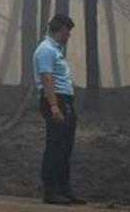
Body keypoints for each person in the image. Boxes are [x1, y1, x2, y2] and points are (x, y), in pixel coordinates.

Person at [33, 14, 86, 205]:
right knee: (55, 146)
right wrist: (54, 106)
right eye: (67, 31)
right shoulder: (45, 50)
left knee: (66, 147)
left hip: (66, 101)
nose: (69, 35)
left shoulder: (57, 50)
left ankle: (64, 189)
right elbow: (47, 78)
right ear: (58, 29)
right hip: (55, 101)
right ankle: (50, 191)